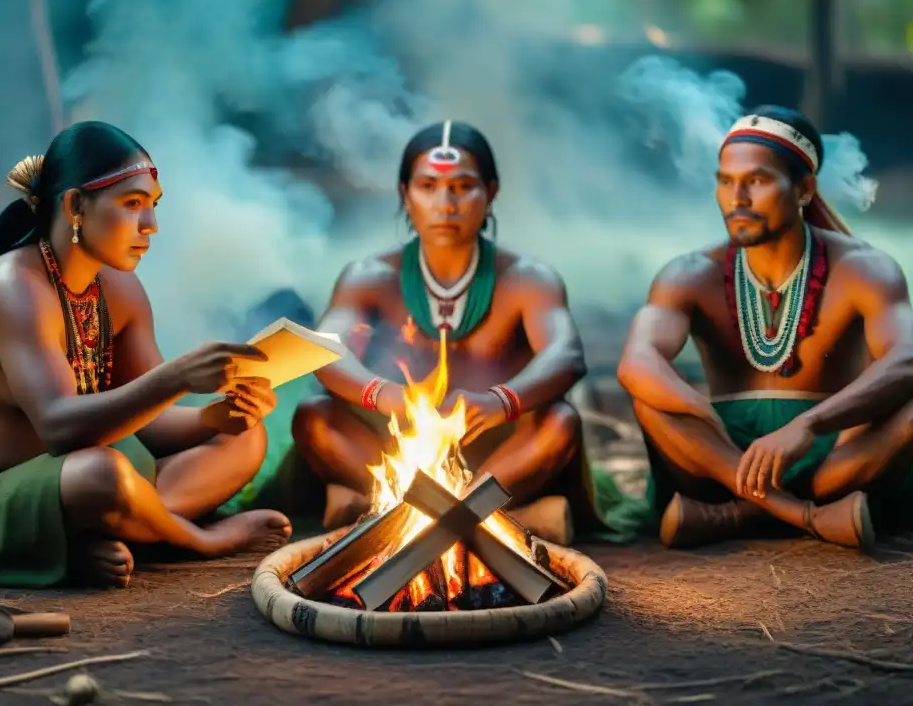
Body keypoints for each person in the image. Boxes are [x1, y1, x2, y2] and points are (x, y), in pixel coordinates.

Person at [0, 121, 291, 589]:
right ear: (74, 206)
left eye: (152, 206)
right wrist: (178, 377)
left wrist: (217, 419)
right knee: (104, 473)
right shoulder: (14, 288)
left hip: (73, 481)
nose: (150, 226)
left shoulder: (119, 288)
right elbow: (60, 428)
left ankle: (109, 529)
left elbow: (146, 420)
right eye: (132, 205)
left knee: (245, 440)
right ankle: (192, 539)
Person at [292, 120, 634, 542]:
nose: (445, 203)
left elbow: (565, 356)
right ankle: (494, 521)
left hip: (497, 454)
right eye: (428, 185)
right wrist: (390, 396)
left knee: (559, 423)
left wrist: (500, 402)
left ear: (491, 193)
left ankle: (389, 512)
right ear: (405, 194)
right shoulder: (369, 276)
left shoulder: (529, 279)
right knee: (314, 419)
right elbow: (326, 349)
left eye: (462, 186)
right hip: (395, 446)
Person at [617, 106, 913, 551]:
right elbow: (636, 362)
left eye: (756, 181)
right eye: (725, 181)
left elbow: (906, 357)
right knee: (652, 402)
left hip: (832, 455)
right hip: (721, 455)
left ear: (804, 189)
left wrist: (811, 426)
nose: (737, 198)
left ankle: (734, 516)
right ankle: (799, 514)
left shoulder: (864, 269)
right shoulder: (689, 274)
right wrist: (701, 414)